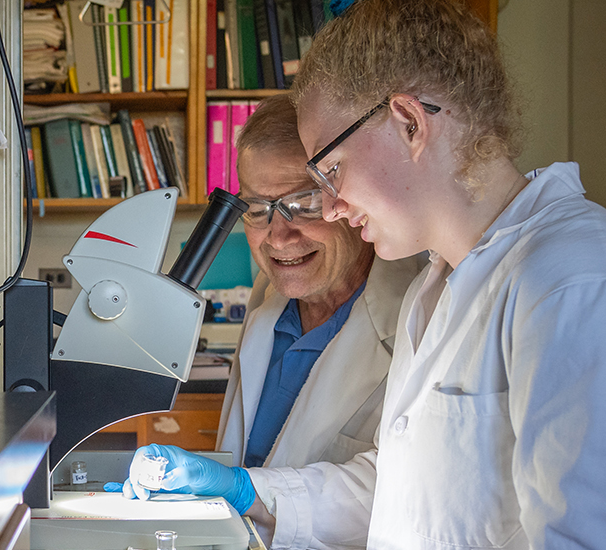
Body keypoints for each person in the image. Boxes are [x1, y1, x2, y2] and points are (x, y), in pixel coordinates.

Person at [277, 0, 606, 548]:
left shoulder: (581, 286)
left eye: (332, 169)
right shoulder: (437, 287)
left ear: (410, 123)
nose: (329, 207)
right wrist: (251, 494)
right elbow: (406, 492)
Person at [120, 95, 424, 547]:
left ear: (349, 203)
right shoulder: (271, 300)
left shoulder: (421, 313)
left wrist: (245, 491)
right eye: (257, 209)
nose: (278, 236)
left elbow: (402, 493)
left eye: (304, 203)